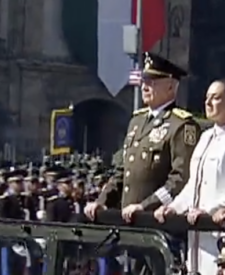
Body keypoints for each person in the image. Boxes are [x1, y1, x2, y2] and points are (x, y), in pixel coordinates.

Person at [154, 78, 225, 275]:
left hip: (223, 234)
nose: (208, 103)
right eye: (207, 98)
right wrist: (173, 207)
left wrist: (208, 210)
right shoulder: (205, 137)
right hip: (196, 235)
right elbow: (193, 185)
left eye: (216, 98)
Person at [86, 52, 201, 221]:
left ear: (170, 87)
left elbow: (181, 179)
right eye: (143, 81)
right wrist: (102, 201)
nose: (144, 87)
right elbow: (122, 171)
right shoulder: (137, 121)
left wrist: (146, 206)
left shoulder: (182, 125)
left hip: (157, 221)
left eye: (151, 82)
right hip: (128, 219)